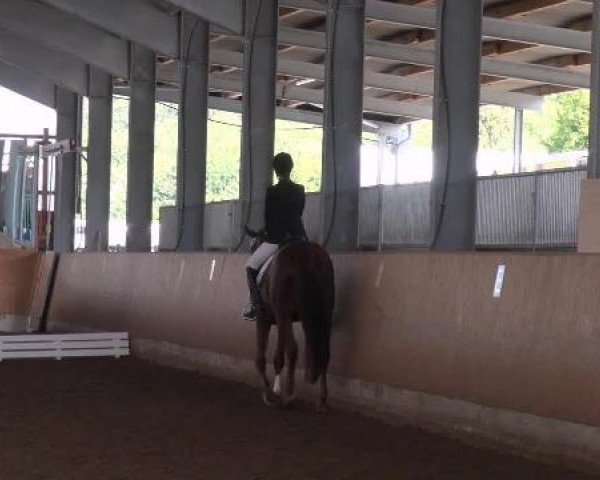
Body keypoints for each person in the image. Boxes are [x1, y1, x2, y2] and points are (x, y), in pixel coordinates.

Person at [243, 152, 306, 321]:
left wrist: (262, 232)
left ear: (275, 171)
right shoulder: (300, 190)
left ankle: (256, 308)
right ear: (291, 168)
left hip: (277, 240)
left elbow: (270, 220)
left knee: (250, 268)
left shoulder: (272, 192)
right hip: (299, 239)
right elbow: (298, 214)